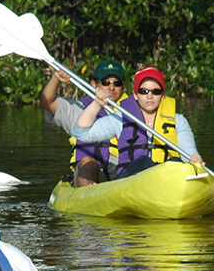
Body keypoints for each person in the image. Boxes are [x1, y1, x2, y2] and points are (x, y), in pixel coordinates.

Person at [70, 66, 204, 185]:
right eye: (144, 91)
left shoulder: (178, 121)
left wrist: (194, 160)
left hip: (165, 181)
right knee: (144, 161)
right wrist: (97, 104)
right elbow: (80, 133)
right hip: (128, 182)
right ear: (135, 95)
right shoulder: (120, 118)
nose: (150, 96)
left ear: (162, 95)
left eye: (155, 91)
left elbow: (189, 153)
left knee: (175, 162)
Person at [40, 59, 137, 187]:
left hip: (122, 179)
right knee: (87, 161)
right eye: (106, 82)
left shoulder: (134, 113)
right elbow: (47, 101)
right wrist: (56, 78)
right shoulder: (77, 110)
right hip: (89, 177)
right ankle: (87, 192)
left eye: (117, 83)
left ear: (123, 86)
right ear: (94, 84)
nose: (111, 87)